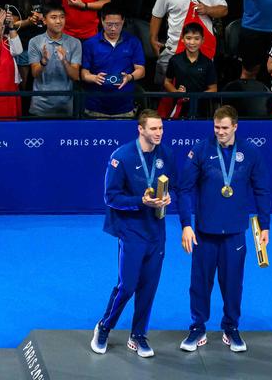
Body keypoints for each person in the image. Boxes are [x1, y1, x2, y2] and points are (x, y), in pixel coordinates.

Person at [177, 105, 272, 354]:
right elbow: (184, 189)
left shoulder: (251, 152)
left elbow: (262, 190)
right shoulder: (200, 150)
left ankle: (231, 328)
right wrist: (186, 224)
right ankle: (197, 328)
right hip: (205, 233)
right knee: (200, 283)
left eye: (225, 128)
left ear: (235, 127)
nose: (219, 132)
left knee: (233, 284)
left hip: (235, 233)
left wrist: (265, 225)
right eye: (216, 127)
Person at [92, 111, 174, 358]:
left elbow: (175, 187)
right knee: (127, 286)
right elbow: (111, 197)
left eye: (160, 128)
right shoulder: (122, 157)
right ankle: (104, 327)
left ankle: (138, 335)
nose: (158, 133)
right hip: (131, 232)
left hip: (157, 231)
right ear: (141, 129)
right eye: (153, 129)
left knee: (149, 287)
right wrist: (141, 201)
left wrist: (170, 198)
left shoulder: (166, 154)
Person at [81, 5, 144, 118]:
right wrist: (94, 78)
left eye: (117, 24)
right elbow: (84, 73)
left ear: (123, 21)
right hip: (95, 107)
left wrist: (129, 77)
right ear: (102, 20)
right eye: (109, 24)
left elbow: (141, 70)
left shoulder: (133, 42)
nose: (113, 28)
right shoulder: (90, 44)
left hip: (125, 108)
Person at [27, 4, 81, 117]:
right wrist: (44, 62)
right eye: (54, 17)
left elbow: (75, 76)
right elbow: (34, 73)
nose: (59, 21)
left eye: (62, 17)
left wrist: (65, 61)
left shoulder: (75, 43)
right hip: (40, 106)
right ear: (45, 21)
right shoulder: (35, 42)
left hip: (65, 106)